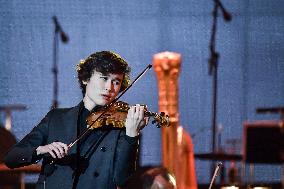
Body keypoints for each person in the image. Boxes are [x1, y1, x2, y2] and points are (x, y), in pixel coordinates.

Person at [4, 51, 147, 189]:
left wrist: (132, 135)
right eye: (104, 78)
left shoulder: (124, 127)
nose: (109, 88)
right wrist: (41, 149)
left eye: (116, 82)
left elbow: (123, 180)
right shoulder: (56, 118)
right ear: (86, 79)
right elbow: (11, 158)